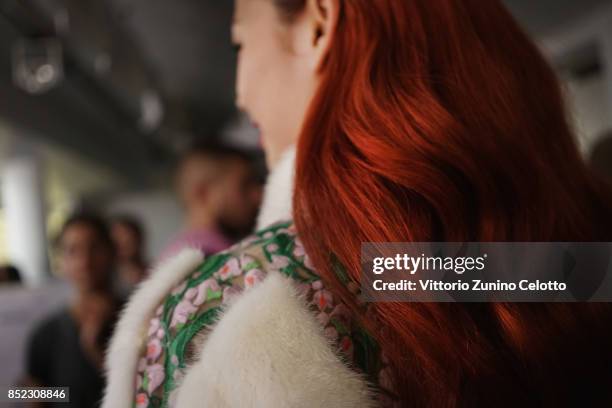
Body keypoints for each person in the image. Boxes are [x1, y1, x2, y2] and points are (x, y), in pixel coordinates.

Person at [103, 1, 612, 407]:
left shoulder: (229, 310)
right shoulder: (571, 263)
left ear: (317, 26)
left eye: (240, 43)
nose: (239, 93)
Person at [26, 213, 120, 408]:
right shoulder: (45, 334)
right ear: (61, 262)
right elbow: (39, 395)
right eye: (72, 251)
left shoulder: (140, 321)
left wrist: (99, 357)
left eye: (94, 248)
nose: (85, 261)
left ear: (112, 252)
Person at [159, 144, 262, 260]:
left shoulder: (179, 256)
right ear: (203, 193)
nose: (257, 195)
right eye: (244, 186)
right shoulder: (204, 259)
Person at [111, 215, 148, 298]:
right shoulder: (108, 280)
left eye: (129, 238)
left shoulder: (157, 271)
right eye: (118, 238)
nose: (124, 243)